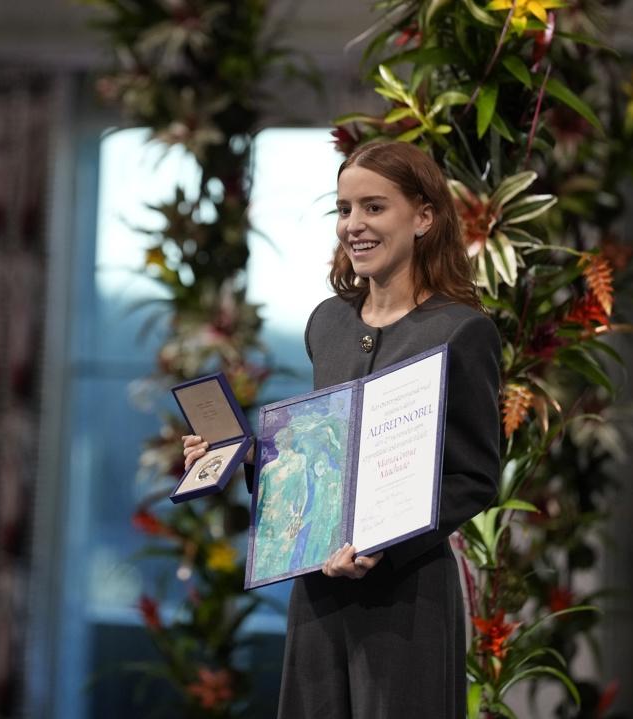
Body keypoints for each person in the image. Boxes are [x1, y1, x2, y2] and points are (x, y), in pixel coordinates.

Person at [183, 140, 501, 717]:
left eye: (374, 207)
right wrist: (247, 457)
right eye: (345, 209)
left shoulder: (461, 332)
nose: (354, 224)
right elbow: (325, 451)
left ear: (424, 217)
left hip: (407, 599)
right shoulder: (327, 323)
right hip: (319, 592)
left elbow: (473, 478)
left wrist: (383, 546)